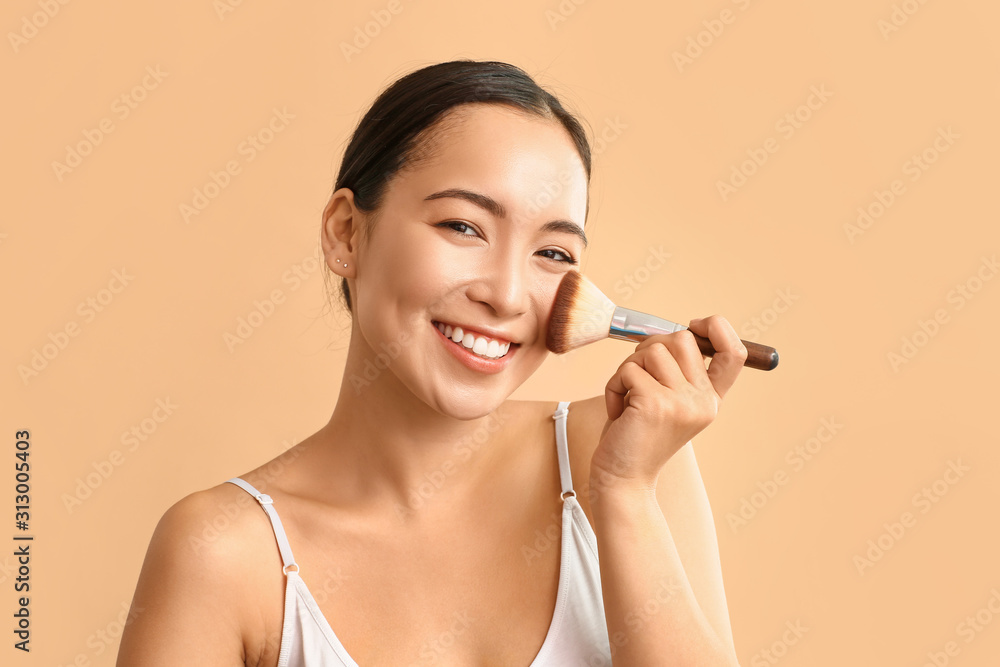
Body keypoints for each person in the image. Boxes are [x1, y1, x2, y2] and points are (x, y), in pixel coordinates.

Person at [117, 59, 746, 666]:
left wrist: (624, 494)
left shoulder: (623, 459)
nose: (504, 294)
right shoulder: (223, 553)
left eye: (553, 253)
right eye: (464, 227)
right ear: (345, 232)